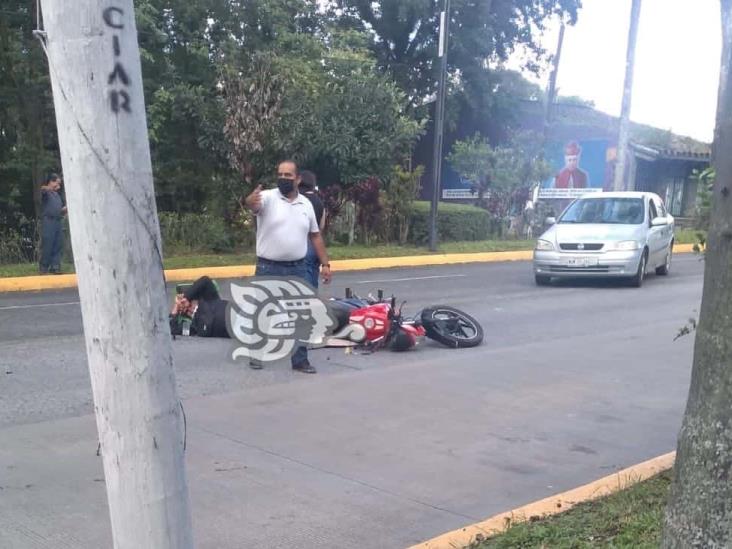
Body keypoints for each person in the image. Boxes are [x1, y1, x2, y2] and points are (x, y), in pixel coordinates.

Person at [243, 160, 332, 374]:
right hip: (268, 266)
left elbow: (315, 236)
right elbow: (253, 205)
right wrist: (249, 200)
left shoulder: (306, 205)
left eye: (288, 175)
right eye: (280, 174)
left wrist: (326, 264)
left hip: (298, 267)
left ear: (298, 179)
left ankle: (300, 360)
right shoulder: (267, 198)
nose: (283, 178)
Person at [298, 170, 326, 288]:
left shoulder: (298, 201)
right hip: (316, 247)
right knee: (313, 281)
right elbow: (322, 226)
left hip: (302, 245)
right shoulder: (319, 202)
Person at [39, 173, 67, 274]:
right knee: (48, 243)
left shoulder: (57, 196)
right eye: (57, 183)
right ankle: (44, 267)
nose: (58, 186)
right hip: (49, 221)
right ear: (51, 181)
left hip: (58, 221)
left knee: (57, 244)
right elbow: (43, 188)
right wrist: (50, 187)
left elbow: (60, 210)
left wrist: (66, 209)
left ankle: (55, 267)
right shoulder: (46, 192)